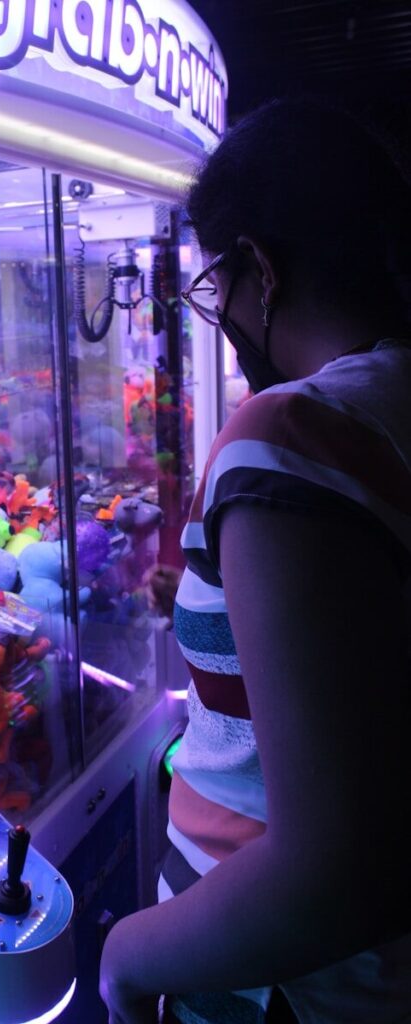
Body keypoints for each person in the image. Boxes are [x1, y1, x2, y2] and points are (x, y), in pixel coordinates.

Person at [99, 96, 411, 1024]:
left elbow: (335, 869)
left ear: (261, 270)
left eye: (215, 285)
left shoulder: (292, 433)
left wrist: (127, 956)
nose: (222, 319)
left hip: (289, 987)